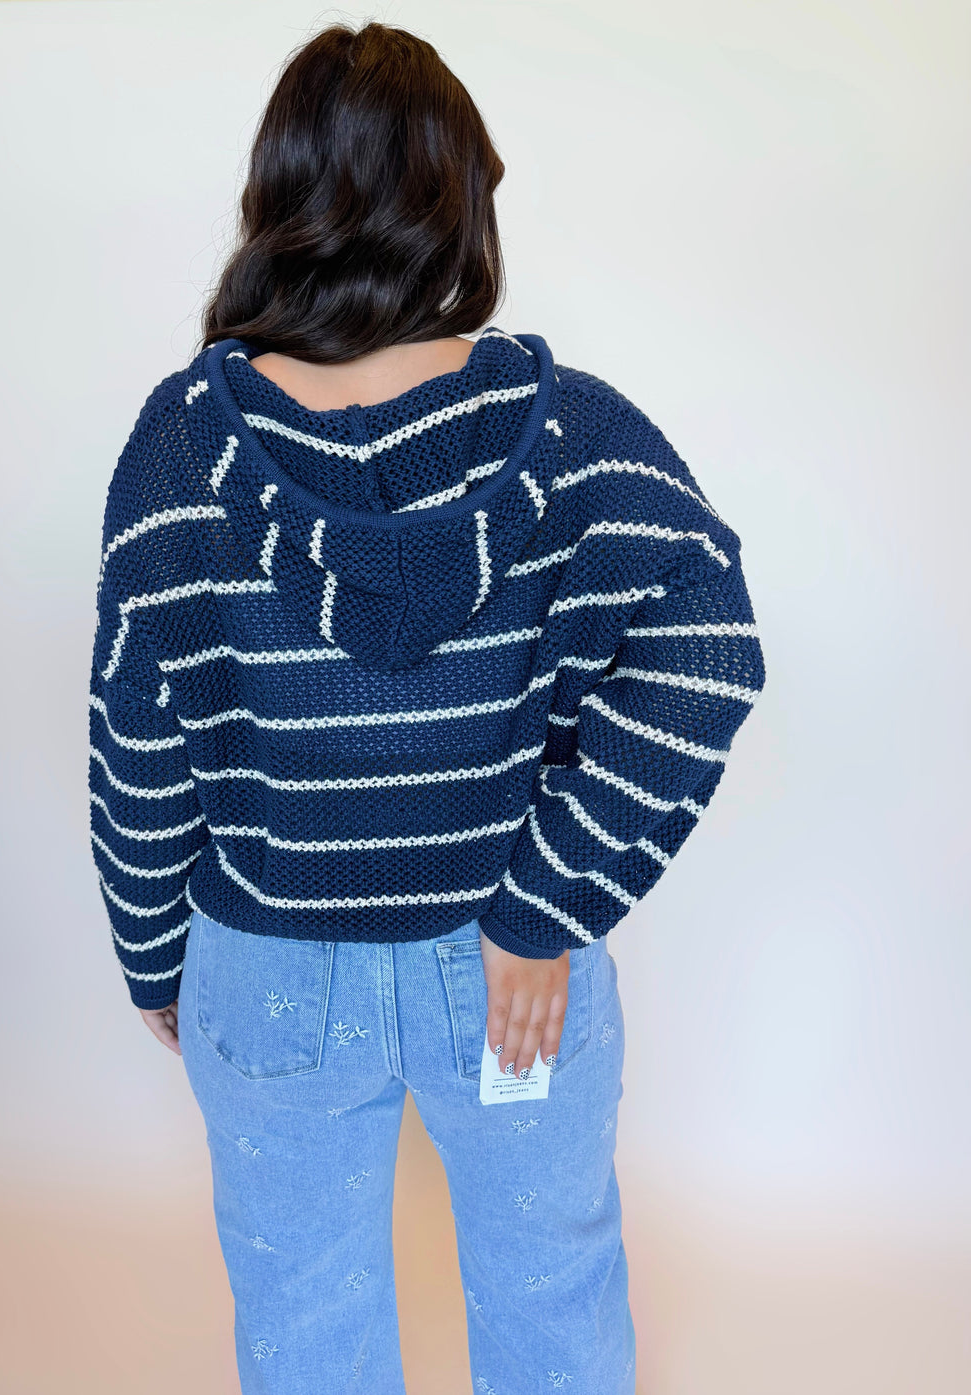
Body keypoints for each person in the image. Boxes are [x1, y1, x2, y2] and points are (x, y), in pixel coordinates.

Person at [87, 20, 765, 1395]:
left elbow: (136, 737)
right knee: (551, 1289)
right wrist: (548, 903)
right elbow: (706, 648)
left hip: (268, 961)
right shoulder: (569, 436)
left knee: (304, 1314)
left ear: (278, 196)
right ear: (459, 198)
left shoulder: (180, 448)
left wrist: (156, 954)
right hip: (509, 963)